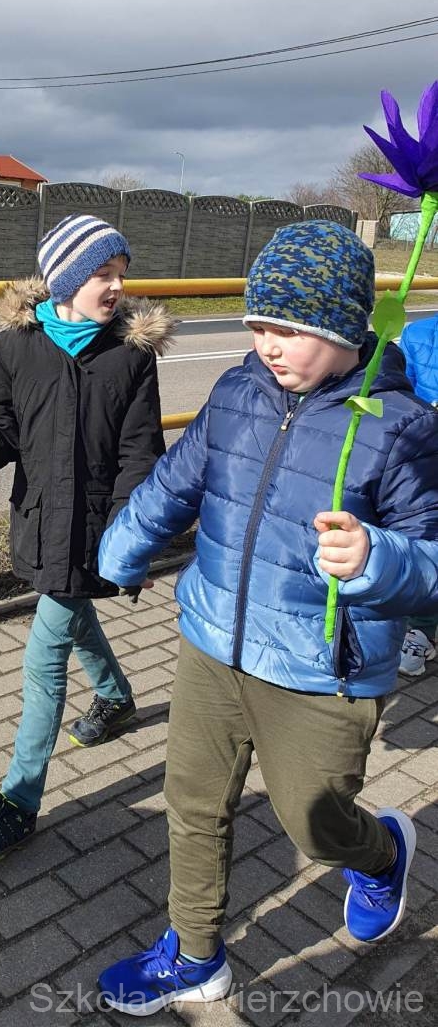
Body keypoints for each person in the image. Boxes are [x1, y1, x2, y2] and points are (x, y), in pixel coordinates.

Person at [93, 220, 438, 1016]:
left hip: (322, 671)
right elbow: (178, 480)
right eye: (257, 324)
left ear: (345, 327)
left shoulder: (402, 427)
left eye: (290, 329)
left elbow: (430, 560)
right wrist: (125, 544)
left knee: (314, 825)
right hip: (213, 641)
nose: (268, 345)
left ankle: (381, 854)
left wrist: (377, 558)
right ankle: (195, 955)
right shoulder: (236, 391)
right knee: (193, 805)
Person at [0, 212, 175, 861]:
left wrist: (132, 536)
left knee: (44, 657)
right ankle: (115, 698)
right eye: (102, 273)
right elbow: (0, 432)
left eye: (121, 273)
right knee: (72, 611)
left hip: (98, 529)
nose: (117, 287)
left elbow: (140, 454)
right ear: (65, 279)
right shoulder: (15, 347)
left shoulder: (130, 356)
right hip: (38, 520)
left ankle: (18, 801)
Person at [397, 312, 438, 676]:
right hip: (427, 456)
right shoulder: (419, 334)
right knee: (426, 537)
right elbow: (401, 394)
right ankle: (421, 631)